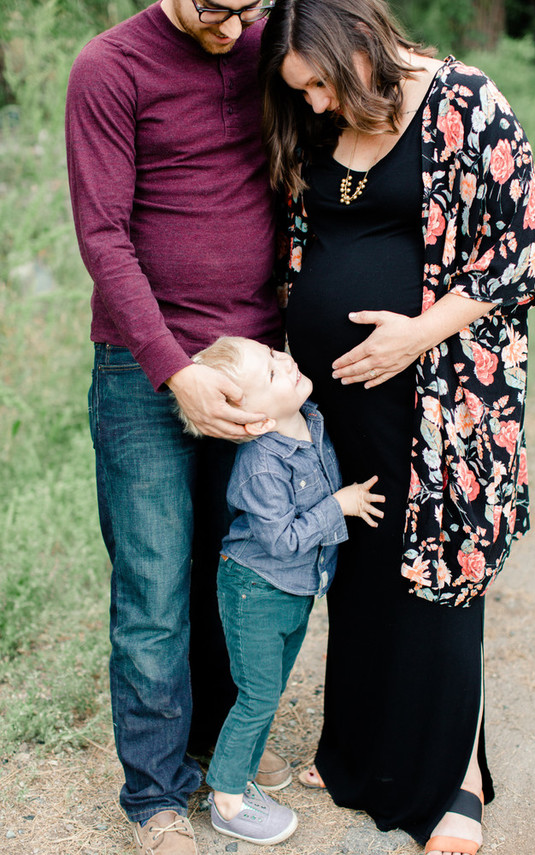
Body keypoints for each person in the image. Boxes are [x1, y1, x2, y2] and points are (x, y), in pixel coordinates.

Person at [258, 1, 535, 853]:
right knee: (361, 564)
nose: (313, 103)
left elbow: (525, 250)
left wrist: (415, 334)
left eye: (319, 81)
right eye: (300, 90)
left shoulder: (465, 101)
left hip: (436, 391)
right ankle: (358, 749)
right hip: (335, 396)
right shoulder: (324, 123)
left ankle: (457, 777)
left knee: (440, 563)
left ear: (359, 40)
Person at [65, 2, 292, 853]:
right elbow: (102, 235)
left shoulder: (276, 42)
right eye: (214, 6)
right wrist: (175, 370)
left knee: (235, 571)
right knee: (154, 588)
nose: (234, 26)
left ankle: (212, 754)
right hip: (142, 369)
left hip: (256, 360)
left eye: (250, 6)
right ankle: (156, 797)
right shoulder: (109, 68)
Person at [176, 335, 384, 844]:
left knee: (269, 693)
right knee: (257, 697)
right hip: (257, 590)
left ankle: (240, 775)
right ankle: (226, 797)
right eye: (270, 373)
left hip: (292, 591)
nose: (285, 361)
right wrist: (340, 505)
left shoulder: (309, 419)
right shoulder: (262, 465)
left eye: (273, 355)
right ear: (257, 422)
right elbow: (283, 539)